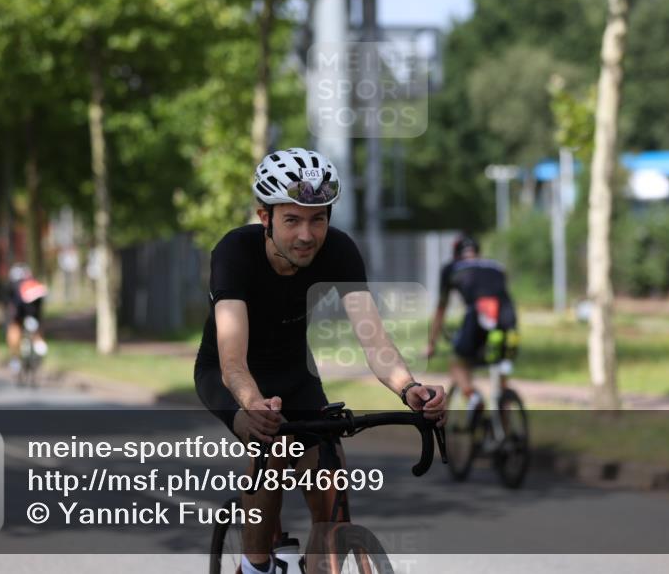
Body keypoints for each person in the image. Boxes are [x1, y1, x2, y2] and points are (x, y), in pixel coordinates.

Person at [194, 147, 445, 574]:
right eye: (292, 220)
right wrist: (252, 404)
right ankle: (255, 566)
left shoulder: (339, 251)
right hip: (230, 378)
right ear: (265, 217)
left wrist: (410, 388)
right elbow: (233, 358)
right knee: (269, 450)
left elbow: (375, 342)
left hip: (295, 375)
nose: (307, 235)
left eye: (318, 219)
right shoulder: (235, 252)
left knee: (330, 485)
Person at [426, 233, 519, 404]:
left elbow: (441, 309)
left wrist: (431, 343)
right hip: (508, 319)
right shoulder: (496, 267)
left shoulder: (452, 268)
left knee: (457, 362)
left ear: (455, 253)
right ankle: (504, 423)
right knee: (500, 366)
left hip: (479, 315)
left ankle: (473, 397)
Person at [5, 263, 48, 375]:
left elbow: (9, 303)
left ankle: (15, 359)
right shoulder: (33, 284)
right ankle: (38, 343)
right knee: (33, 327)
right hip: (31, 310)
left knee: (14, 329)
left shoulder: (13, 285)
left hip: (21, 311)